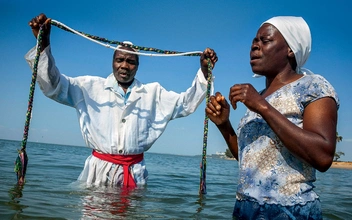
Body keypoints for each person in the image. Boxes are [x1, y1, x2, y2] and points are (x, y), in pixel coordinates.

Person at [25, 13, 218, 188]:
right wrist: (44, 44)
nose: (124, 65)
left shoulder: (153, 93)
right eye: (120, 60)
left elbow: (185, 103)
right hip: (97, 173)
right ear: (112, 61)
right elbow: (54, 85)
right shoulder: (88, 86)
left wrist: (203, 71)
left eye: (131, 61)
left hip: (135, 173)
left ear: (138, 65)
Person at [206, 16, 339, 219]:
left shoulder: (313, 86)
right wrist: (224, 125)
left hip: (290, 211)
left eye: (265, 41)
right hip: (245, 208)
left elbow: (323, 157)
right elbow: (247, 156)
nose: (255, 47)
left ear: (291, 49)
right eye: (254, 42)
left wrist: (262, 106)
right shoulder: (259, 96)